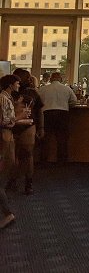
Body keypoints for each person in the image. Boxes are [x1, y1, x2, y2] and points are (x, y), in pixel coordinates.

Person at [0, 74, 31, 229]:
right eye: (17, 83)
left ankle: (7, 213)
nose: (19, 85)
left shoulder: (5, 98)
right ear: (11, 84)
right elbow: (5, 121)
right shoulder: (4, 99)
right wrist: (20, 116)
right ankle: (7, 213)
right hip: (4, 137)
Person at [9, 68, 43, 195]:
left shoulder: (9, 93)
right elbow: (40, 111)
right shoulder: (33, 93)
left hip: (11, 126)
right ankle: (28, 184)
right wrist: (41, 127)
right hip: (29, 126)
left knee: (13, 156)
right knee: (28, 156)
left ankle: (12, 180)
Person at [38, 72, 77, 165]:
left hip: (47, 113)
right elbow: (74, 101)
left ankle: (44, 160)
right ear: (61, 79)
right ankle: (62, 160)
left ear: (51, 79)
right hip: (62, 113)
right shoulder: (67, 89)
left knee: (46, 138)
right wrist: (66, 105)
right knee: (62, 138)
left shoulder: (43, 89)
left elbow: (38, 102)